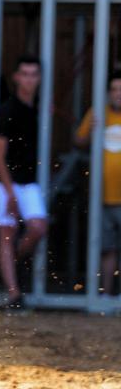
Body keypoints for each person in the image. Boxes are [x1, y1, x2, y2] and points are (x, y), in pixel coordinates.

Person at [0, 55, 47, 311]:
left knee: (37, 227)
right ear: (16, 77)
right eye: (25, 74)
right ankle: (14, 293)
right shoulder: (7, 110)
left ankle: (4, 266)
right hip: (5, 182)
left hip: (28, 181)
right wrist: (9, 191)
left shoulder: (38, 108)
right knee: (8, 231)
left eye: (34, 74)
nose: (29, 79)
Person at [74, 71, 121, 297]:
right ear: (108, 93)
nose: (118, 94)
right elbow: (78, 141)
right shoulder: (98, 113)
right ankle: (105, 296)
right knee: (107, 249)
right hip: (102, 196)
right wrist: (91, 130)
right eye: (114, 89)